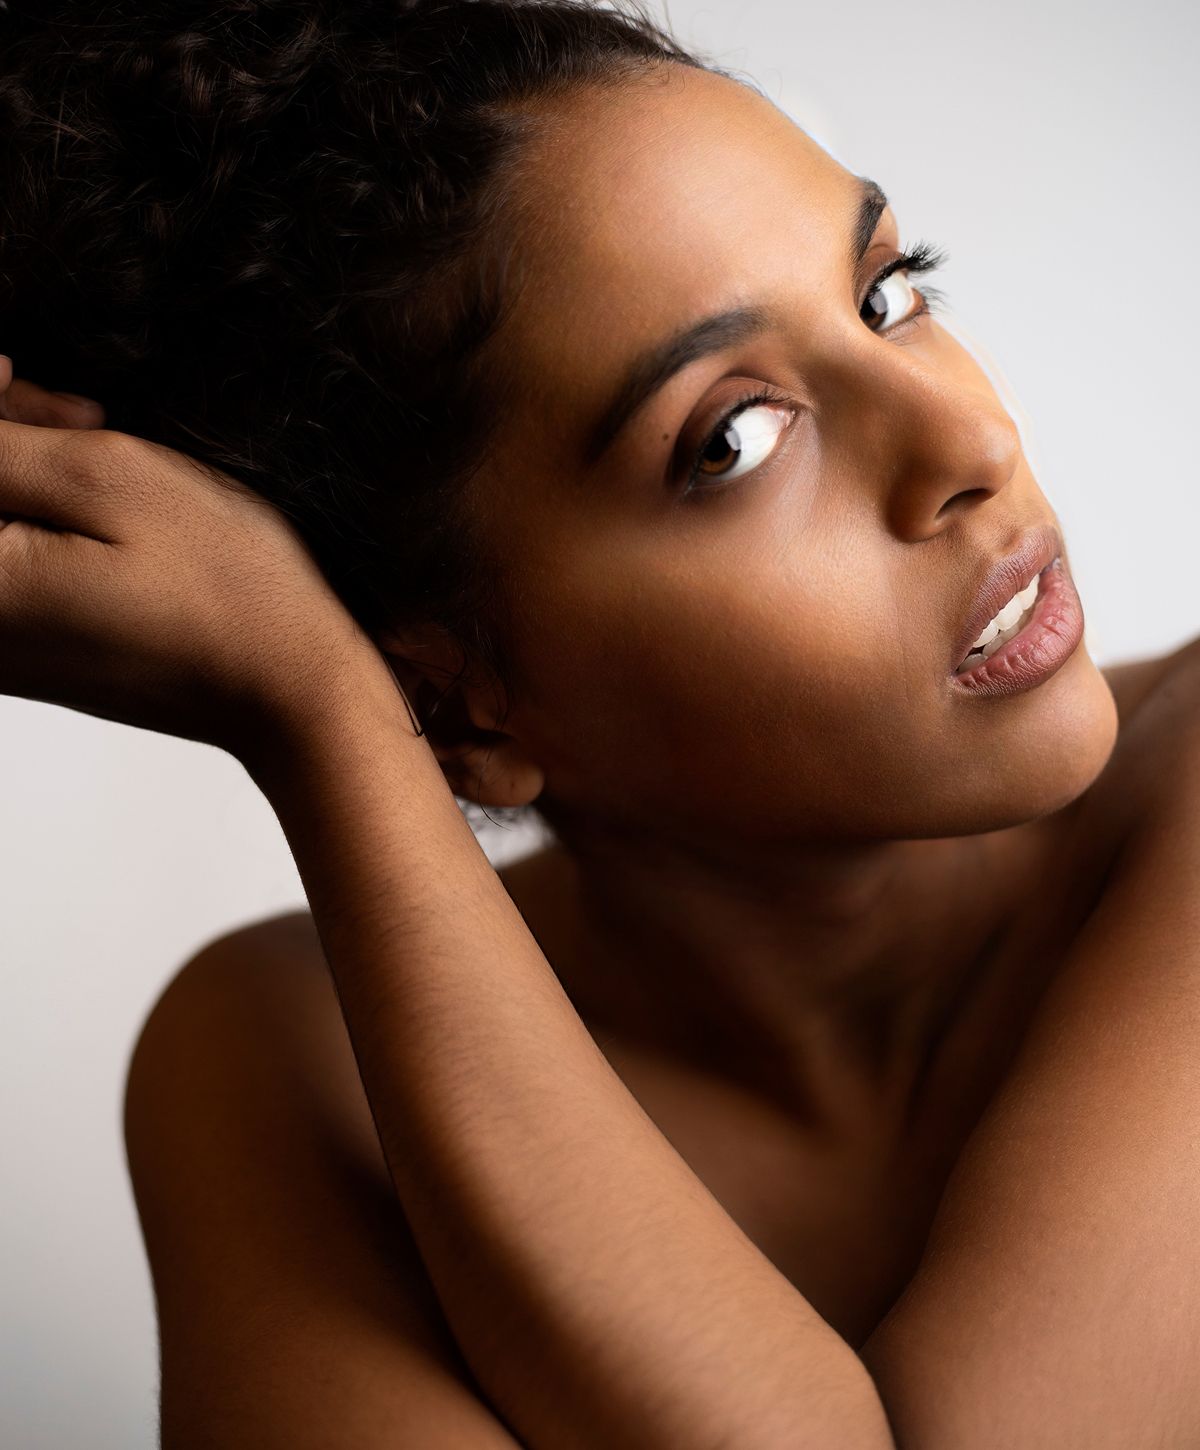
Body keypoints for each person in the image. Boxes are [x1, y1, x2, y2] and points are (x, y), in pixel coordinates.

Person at [1, 0, 1197, 1445]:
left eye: (886, 291)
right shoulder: (286, 1061)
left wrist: (335, 702)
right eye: (734, 438)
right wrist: (325, 714)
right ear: (456, 699)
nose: (971, 442)